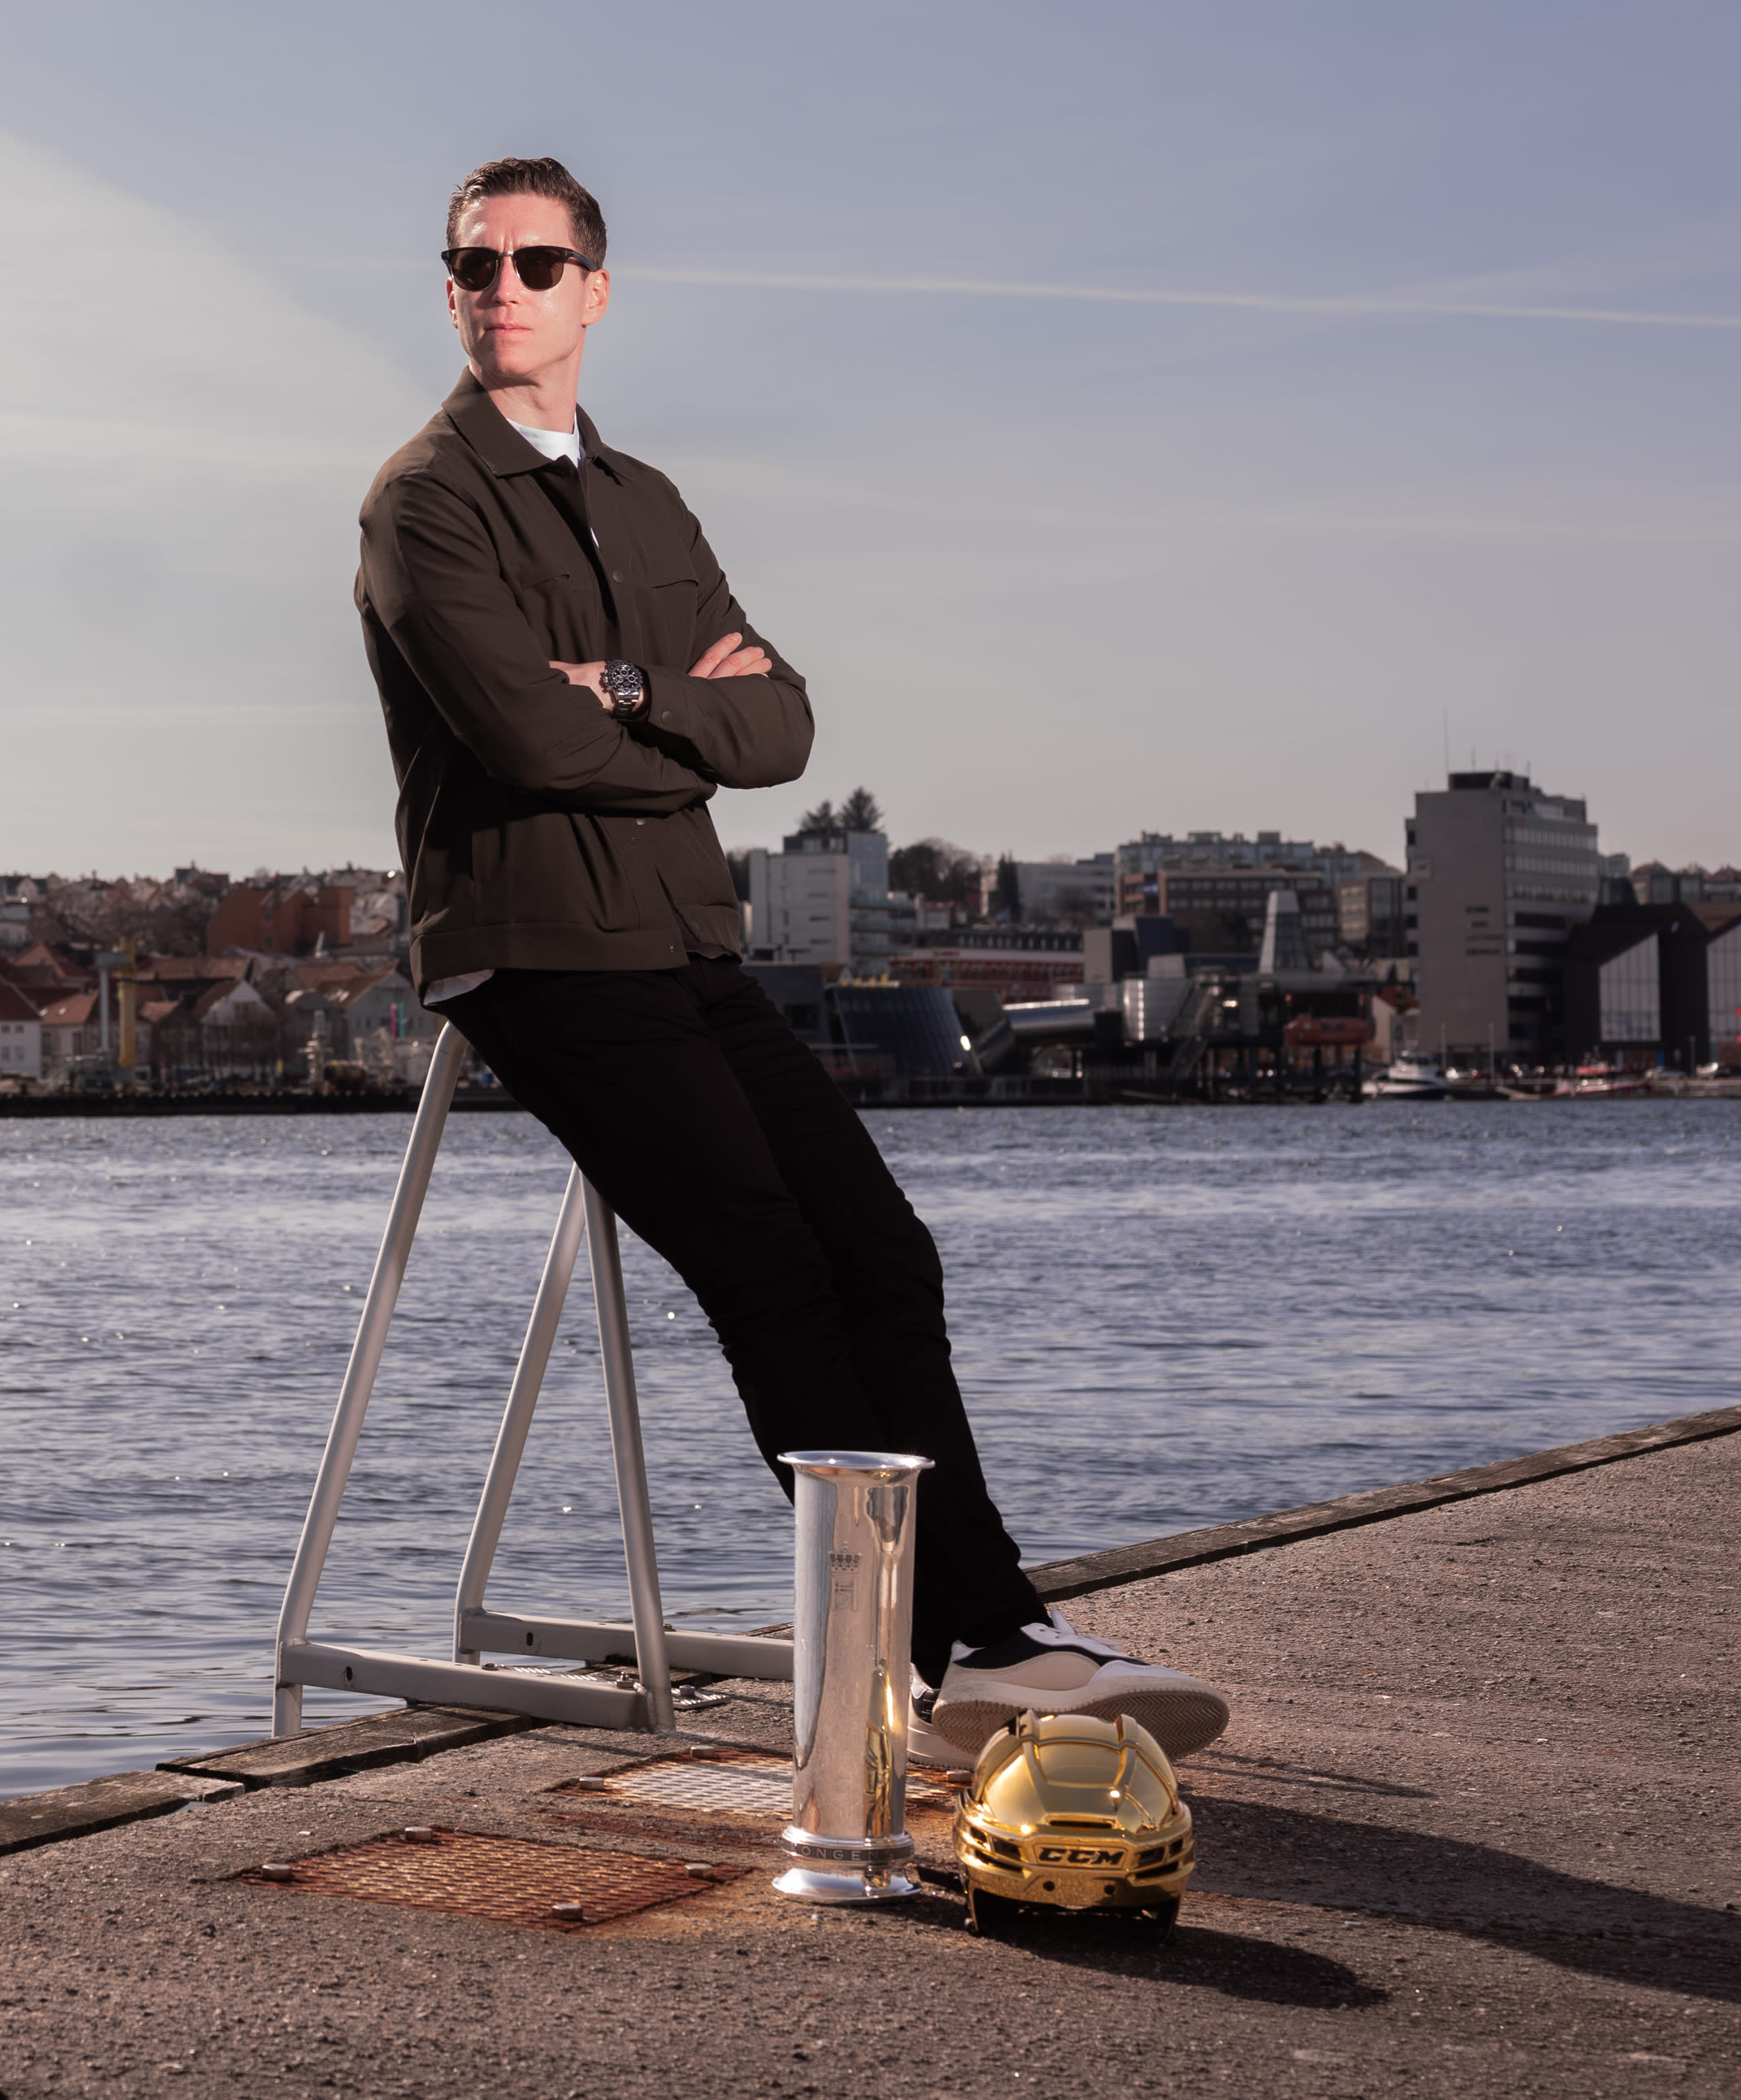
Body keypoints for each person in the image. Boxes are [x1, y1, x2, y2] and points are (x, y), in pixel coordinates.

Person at [352, 153, 1227, 1759]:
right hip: (536, 950)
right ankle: (949, 1644)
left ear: (593, 292)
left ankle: (996, 1635)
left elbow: (786, 726)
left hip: (683, 943)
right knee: (770, 1266)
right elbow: (531, 743)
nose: (501, 290)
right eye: (473, 265)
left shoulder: (647, 501)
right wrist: (677, 730)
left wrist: (629, 693)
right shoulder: (421, 501)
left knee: (883, 1251)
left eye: (535, 264)